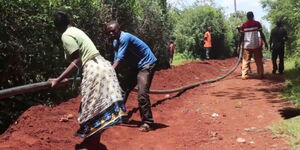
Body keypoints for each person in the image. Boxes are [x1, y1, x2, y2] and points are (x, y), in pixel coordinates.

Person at [49, 10, 126, 149]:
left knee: (91, 112)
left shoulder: (66, 36)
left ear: (56, 27)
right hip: (103, 65)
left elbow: (77, 61)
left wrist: (58, 79)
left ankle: (91, 146)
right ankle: (93, 145)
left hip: (95, 70)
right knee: (95, 110)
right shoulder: (75, 30)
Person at [106, 20, 157, 132]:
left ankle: (148, 122)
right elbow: (116, 59)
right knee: (122, 89)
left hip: (147, 64)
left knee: (142, 94)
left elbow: (120, 59)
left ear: (119, 28)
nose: (111, 34)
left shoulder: (125, 38)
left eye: (113, 31)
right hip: (136, 66)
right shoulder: (115, 42)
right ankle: (119, 116)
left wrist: (108, 73)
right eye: (109, 32)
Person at [238, 11, 268, 79]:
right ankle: (260, 74)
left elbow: (241, 36)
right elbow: (261, 33)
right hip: (256, 45)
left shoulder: (244, 25)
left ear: (247, 17)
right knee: (258, 60)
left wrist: (239, 45)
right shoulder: (257, 23)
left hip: (247, 45)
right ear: (253, 16)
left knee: (245, 60)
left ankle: (244, 75)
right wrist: (265, 42)